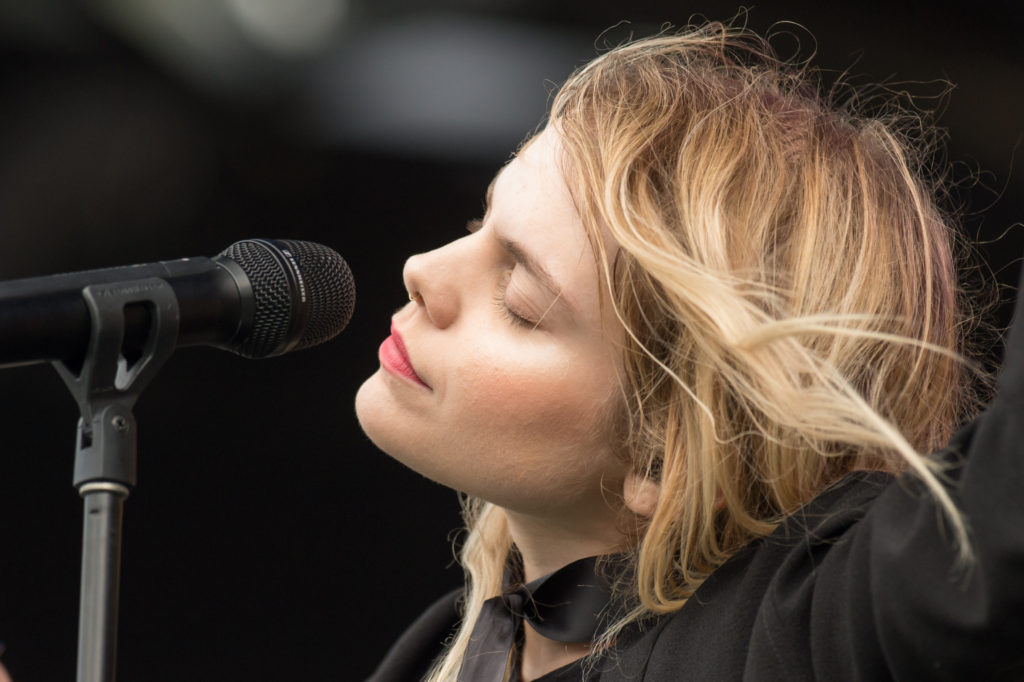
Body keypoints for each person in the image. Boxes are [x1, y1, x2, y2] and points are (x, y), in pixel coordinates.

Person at [355, 21, 1023, 681]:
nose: (422, 268)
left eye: (522, 303)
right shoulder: (436, 650)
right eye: (479, 224)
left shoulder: (801, 634)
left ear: (664, 450)